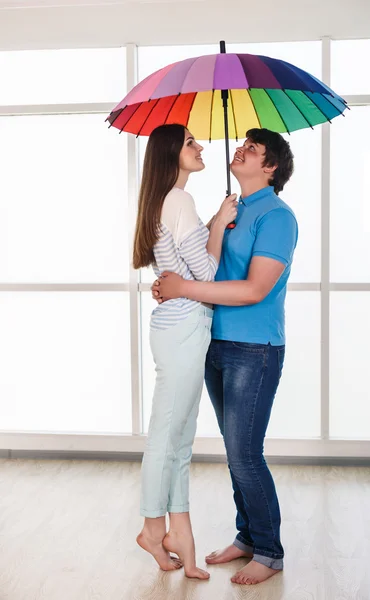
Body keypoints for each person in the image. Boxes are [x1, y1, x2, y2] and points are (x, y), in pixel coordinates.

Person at [152, 128, 297, 586]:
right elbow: (202, 263)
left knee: (245, 454)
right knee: (236, 455)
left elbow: (255, 289)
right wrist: (214, 226)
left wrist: (182, 288)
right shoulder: (233, 210)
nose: (241, 150)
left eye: (252, 149)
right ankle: (248, 536)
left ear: (270, 167)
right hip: (215, 342)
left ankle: (269, 551)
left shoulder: (277, 216)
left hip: (255, 349)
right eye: (243, 144)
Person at [134, 123, 238, 579]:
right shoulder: (179, 201)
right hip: (183, 328)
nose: (200, 148)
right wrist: (217, 224)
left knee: (178, 439)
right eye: (191, 142)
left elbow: (186, 274)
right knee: (167, 436)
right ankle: (153, 528)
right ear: (171, 151)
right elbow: (208, 275)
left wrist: (213, 222)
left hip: (179, 326)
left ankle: (178, 532)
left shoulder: (167, 200)